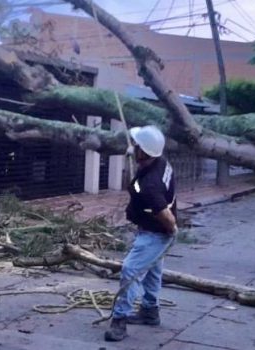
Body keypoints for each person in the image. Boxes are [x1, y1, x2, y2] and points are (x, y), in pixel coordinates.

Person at [105, 125, 177, 342]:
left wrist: (172, 230)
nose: (133, 146)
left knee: (130, 270)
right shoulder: (158, 162)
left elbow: (165, 215)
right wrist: (133, 184)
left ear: (145, 152)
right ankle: (150, 311)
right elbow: (137, 187)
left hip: (155, 233)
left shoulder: (149, 187)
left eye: (136, 145)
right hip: (155, 231)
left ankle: (119, 320)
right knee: (153, 270)